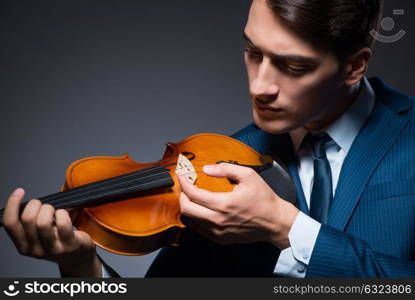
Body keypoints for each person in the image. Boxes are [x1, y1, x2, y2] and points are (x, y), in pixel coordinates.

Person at [3, 0, 415, 277]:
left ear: (354, 67)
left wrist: (287, 228)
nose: (260, 86)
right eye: (253, 52)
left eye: (292, 66)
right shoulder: (218, 161)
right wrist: (80, 267)